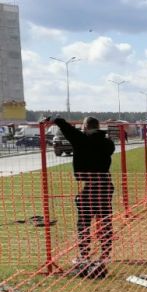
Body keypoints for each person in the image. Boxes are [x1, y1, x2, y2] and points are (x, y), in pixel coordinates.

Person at [52, 116, 116, 276]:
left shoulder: (82, 140)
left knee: (84, 222)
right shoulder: (108, 143)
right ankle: (106, 254)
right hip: (105, 184)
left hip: (90, 186)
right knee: (105, 220)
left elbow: (67, 128)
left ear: (86, 127)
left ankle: (84, 254)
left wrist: (55, 119)